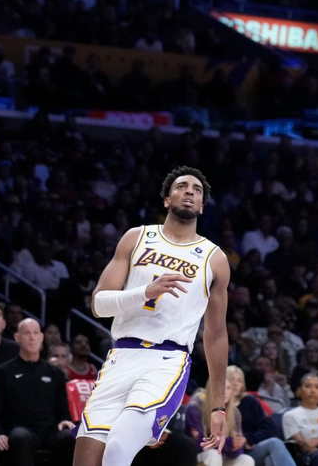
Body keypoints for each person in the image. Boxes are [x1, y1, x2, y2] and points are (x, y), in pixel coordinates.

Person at [74, 166, 231, 466]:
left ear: (201, 206)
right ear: (167, 199)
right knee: (86, 460)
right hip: (120, 357)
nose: (189, 191)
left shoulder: (215, 259)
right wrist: (145, 292)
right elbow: (98, 304)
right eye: (181, 186)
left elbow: (216, 335)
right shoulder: (136, 238)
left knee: (118, 446)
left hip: (167, 360)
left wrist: (218, 407)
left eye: (197, 190)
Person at [0, 318, 76, 466]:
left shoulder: (55, 373)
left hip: (50, 430)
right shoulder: (3, 372)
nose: (32, 337)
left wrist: (65, 420)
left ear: (41, 337)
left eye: (36, 333)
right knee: (20, 437)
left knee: (71, 436)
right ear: (17, 337)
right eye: (27, 333)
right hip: (20, 428)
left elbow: (63, 411)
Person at [186, 369, 255, 466]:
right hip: (198, 457)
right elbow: (200, 443)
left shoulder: (235, 413)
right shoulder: (196, 407)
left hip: (222, 456)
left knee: (247, 460)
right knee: (213, 455)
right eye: (221, 387)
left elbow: (238, 452)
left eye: (228, 388)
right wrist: (229, 444)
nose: (225, 392)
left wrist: (236, 446)